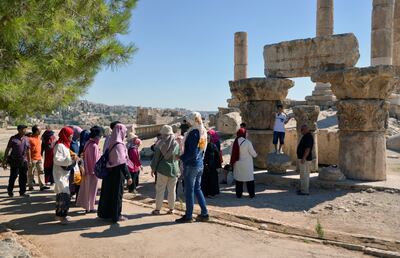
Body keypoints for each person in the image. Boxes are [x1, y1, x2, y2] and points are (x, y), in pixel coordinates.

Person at [176, 112, 209, 223]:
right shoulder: (202, 131)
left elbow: (193, 152)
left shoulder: (194, 132)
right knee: (197, 189)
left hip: (192, 165)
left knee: (189, 191)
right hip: (200, 163)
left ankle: (189, 216)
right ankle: (204, 213)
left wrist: (181, 157)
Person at [97, 123, 133, 223]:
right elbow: (122, 163)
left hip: (109, 173)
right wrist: (128, 176)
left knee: (107, 194)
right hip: (118, 174)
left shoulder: (110, 142)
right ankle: (116, 216)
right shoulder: (120, 145)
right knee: (117, 195)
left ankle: (104, 214)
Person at [150, 125, 180, 215]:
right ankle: (171, 209)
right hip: (174, 170)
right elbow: (177, 157)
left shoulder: (160, 144)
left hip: (162, 170)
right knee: (172, 191)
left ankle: (158, 209)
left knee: (160, 190)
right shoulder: (176, 144)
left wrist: (153, 169)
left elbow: (155, 158)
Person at [53, 127, 79, 224]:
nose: (71, 137)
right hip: (60, 174)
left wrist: (72, 158)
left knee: (62, 195)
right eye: (70, 135)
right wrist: (71, 160)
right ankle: (61, 217)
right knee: (64, 195)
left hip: (64, 174)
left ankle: (60, 215)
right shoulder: (59, 146)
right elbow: (57, 160)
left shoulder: (64, 145)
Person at [76, 126, 102, 213]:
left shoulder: (87, 143)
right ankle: (91, 207)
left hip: (86, 171)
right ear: (97, 136)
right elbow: (95, 161)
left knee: (87, 190)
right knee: (92, 191)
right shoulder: (94, 146)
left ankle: (87, 207)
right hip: (92, 172)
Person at [2, 125, 30, 197]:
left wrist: (29, 161)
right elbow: (7, 149)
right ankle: (10, 191)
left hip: (24, 161)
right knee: (13, 176)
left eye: (25, 129)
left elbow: (28, 150)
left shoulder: (26, 139)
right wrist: (4, 160)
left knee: (23, 177)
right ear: (19, 130)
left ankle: (22, 192)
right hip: (14, 161)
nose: (25, 131)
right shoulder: (13, 138)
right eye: (24, 129)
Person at [230, 128, 257, 198]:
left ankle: (239, 194)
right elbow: (253, 154)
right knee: (249, 180)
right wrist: (256, 154)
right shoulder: (247, 142)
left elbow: (232, 153)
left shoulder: (234, 142)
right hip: (247, 165)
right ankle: (251, 194)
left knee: (239, 180)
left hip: (238, 164)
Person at [27, 125, 49, 191]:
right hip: (32, 159)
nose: (41, 131)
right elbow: (28, 150)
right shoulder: (30, 139)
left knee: (41, 171)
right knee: (31, 173)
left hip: (39, 158)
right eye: (39, 130)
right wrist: (29, 160)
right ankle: (30, 186)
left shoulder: (39, 138)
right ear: (36, 131)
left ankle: (42, 185)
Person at [201, 131, 221, 198]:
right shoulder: (202, 146)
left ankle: (211, 193)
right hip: (204, 166)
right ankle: (205, 193)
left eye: (208, 138)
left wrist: (218, 166)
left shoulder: (213, 146)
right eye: (207, 138)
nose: (208, 139)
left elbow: (217, 156)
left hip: (212, 166)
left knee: (212, 180)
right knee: (204, 180)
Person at [296, 124, 314, 196]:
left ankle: (305, 191)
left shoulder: (308, 137)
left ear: (306, 129)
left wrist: (304, 158)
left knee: (305, 175)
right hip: (304, 159)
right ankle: (302, 189)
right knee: (303, 175)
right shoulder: (306, 136)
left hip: (305, 159)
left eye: (302, 130)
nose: (301, 131)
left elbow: (308, 149)